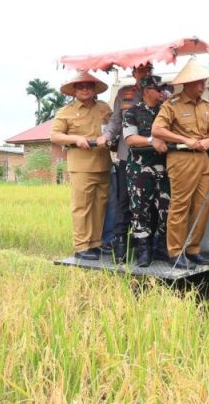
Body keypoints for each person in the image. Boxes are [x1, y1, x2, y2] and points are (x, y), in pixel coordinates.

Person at [152, 59, 209, 268]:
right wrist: (184, 140)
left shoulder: (206, 105)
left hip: (202, 159)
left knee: (202, 206)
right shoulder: (172, 105)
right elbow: (157, 130)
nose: (203, 85)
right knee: (180, 206)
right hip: (181, 160)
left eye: (204, 81)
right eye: (199, 82)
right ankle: (175, 252)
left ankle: (193, 249)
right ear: (187, 83)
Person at [51, 71, 112, 260]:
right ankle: (81, 246)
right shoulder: (66, 111)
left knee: (99, 206)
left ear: (94, 89)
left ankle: (95, 243)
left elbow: (112, 127)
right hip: (81, 166)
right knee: (82, 206)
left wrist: (108, 137)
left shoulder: (103, 107)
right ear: (74, 90)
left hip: (103, 164)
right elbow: (55, 136)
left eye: (89, 85)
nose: (85, 89)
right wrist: (76, 139)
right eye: (80, 86)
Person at [99, 63, 155, 261]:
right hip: (126, 156)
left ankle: (148, 247)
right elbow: (115, 121)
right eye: (141, 70)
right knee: (124, 202)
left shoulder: (162, 91)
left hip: (153, 158)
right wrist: (106, 136)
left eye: (149, 69)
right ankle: (121, 244)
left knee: (152, 205)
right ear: (133, 72)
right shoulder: (124, 93)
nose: (145, 73)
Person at [124, 78, 169, 267]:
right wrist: (152, 141)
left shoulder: (165, 111)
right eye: (157, 89)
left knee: (167, 209)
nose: (161, 92)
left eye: (162, 89)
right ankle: (144, 250)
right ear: (145, 91)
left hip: (164, 168)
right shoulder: (133, 112)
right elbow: (130, 138)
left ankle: (161, 247)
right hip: (140, 169)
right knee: (140, 210)